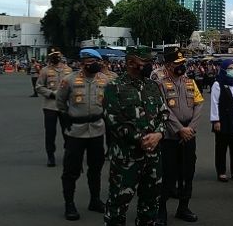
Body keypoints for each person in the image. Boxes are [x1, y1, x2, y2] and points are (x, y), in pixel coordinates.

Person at [103, 46, 168, 226]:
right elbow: (114, 121)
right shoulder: (114, 87)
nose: (150, 65)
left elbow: (164, 113)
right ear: (131, 62)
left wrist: (159, 134)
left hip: (153, 158)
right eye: (145, 62)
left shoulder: (152, 86)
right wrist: (141, 139)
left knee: (150, 206)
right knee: (117, 207)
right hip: (127, 159)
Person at [56, 49, 108, 220]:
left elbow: (107, 104)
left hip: (97, 129)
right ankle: (69, 204)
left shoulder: (104, 81)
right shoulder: (69, 80)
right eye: (92, 61)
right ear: (83, 62)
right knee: (71, 170)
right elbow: (60, 102)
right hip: (76, 132)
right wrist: (68, 118)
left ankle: (95, 200)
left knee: (95, 168)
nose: (96, 64)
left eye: (98, 62)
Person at [154, 47, 205, 225]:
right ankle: (161, 210)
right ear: (168, 66)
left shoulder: (190, 82)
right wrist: (179, 129)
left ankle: (183, 207)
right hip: (169, 136)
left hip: (189, 135)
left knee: (187, 173)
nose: (181, 66)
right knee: (168, 175)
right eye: (177, 64)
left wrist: (190, 128)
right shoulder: (160, 83)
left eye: (182, 63)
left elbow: (199, 105)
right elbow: (163, 109)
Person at [36, 47, 73, 167]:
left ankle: (69, 154)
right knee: (50, 133)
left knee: (68, 131)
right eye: (53, 55)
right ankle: (50, 156)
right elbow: (39, 87)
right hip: (50, 105)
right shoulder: (45, 71)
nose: (56, 57)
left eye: (57, 55)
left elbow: (73, 86)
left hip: (65, 106)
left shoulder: (68, 70)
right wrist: (51, 93)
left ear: (61, 56)